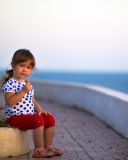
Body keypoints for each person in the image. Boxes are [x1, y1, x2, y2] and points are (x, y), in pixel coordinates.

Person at [0, 49, 62, 158]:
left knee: (48, 118)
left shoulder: (27, 85)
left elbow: (32, 101)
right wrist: (23, 91)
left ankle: (48, 146)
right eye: (22, 65)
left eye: (28, 67)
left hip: (27, 116)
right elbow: (9, 102)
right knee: (38, 120)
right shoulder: (10, 83)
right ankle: (38, 149)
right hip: (15, 117)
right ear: (13, 65)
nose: (25, 69)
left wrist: (39, 110)